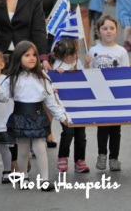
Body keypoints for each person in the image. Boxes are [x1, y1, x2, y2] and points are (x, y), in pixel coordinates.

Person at [0, 41, 69, 191]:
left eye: (34, 55)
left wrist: (62, 117)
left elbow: (51, 102)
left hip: (38, 116)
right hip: (20, 116)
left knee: (40, 147)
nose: (32, 58)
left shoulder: (43, 78)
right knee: (22, 150)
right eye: (27, 55)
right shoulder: (11, 79)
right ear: (18, 58)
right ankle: (24, 178)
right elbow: (3, 98)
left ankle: (45, 181)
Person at [89, 15, 129, 171]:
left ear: (116, 31)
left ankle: (114, 158)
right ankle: (102, 154)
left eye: (111, 28)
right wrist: (86, 63)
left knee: (115, 128)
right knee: (103, 126)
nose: (108, 31)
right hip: (100, 95)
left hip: (116, 95)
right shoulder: (93, 51)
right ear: (98, 31)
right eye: (104, 28)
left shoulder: (121, 51)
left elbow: (126, 73)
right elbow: (89, 72)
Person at [51, 38, 91, 173]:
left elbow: (86, 74)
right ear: (65, 56)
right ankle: (63, 157)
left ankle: (80, 160)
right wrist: (57, 72)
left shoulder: (77, 63)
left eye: (74, 55)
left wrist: (86, 63)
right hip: (64, 107)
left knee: (81, 135)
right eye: (70, 55)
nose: (72, 58)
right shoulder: (57, 65)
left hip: (79, 106)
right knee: (68, 132)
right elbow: (49, 80)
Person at [0, 49, 14, 184]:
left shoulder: (7, 81)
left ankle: (7, 171)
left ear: (2, 64)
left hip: (2, 122)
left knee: (3, 148)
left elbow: (6, 97)